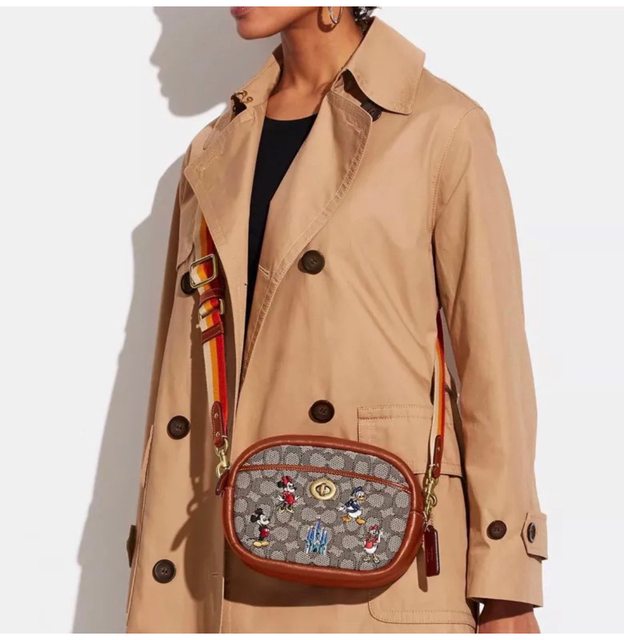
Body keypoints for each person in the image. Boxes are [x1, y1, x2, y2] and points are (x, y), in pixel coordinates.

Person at [125, 7, 548, 633]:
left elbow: (493, 361)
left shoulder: (441, 126)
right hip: (219, 557)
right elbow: (182, 377)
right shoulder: (217, 146)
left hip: (377, 561)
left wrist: (508, 584)